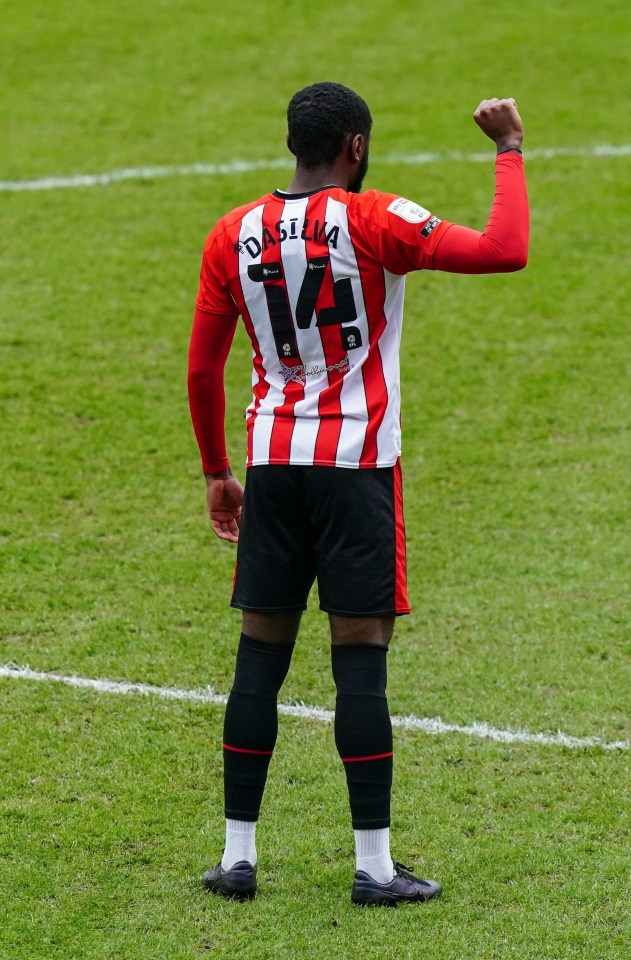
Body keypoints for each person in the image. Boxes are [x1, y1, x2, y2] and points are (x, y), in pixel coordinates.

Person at [188, 82, 528, 906]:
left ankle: (237, 860)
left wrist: (215, 473)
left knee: (258, 660)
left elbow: (203, 368)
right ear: (355, 147)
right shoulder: (372, 218)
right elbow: (503, 248)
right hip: (356, 466)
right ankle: (373, 869)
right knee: (359, 668)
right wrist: (508, 150)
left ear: (291, 145)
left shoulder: (233, 233)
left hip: (271, 465)